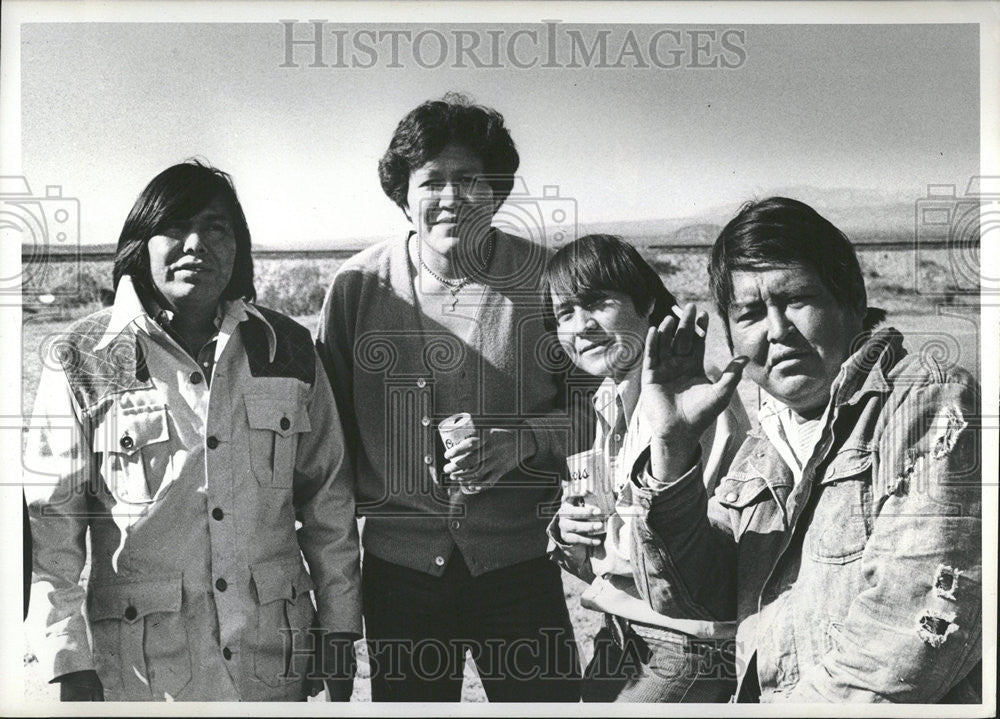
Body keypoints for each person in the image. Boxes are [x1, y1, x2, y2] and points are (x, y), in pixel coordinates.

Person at [24, 161, 361, 702]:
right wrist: (69, 662)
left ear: (238, 247)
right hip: (145, 677)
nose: (196, 243)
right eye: (175, 226)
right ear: (141, 244)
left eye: (216, 228)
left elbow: (328, 501)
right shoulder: (81, 358)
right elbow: (51, 532)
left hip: (271, 665)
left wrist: (340, 629)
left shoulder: (289, 348)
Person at [631, 197, 981, 702]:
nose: (777, 330)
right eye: (750, 313)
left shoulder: (926, 403)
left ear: (851, 301)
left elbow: (904, 645)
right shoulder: (765, 441)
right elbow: (693, 596)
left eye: (796, 299)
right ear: (729, 335)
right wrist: (672, 447)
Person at [316, 94, 581, 702]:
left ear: (499, 191)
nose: (452, 197)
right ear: (402, 194)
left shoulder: (549, 282)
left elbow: (601, 417)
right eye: (432, 180)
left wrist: (523, 441)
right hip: (399, 572)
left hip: (519, 563)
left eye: (471, 180)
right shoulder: (357, 287)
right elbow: (327, 435)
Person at [544, 234, 749, 702]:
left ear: (648, 301)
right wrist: (571, 531)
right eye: (565, 313)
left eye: (597, 302)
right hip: (624, 628)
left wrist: (586, 548)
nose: (581, 326)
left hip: (688, 642)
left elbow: (682, 558)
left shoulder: (691, 397)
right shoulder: (611, 396)